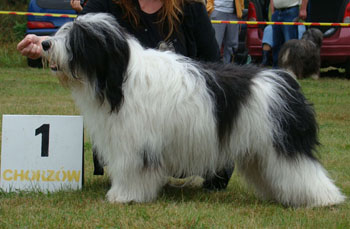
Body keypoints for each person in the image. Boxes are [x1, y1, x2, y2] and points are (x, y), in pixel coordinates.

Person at [17, 0, 233, 191]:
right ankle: (135, 173)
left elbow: (214, 69)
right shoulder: (106, 4)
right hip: (124, 119)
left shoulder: (190, 6)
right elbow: (76, 37)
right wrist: (46, 44)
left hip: (180, 123)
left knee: (212, 160)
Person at [270, 0, 308, 67]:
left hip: (291, 11)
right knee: (276, 44)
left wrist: (303, 9)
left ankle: (292, 69)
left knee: (291, 44)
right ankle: (277, 69)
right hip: (276, 12)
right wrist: (272, 10)